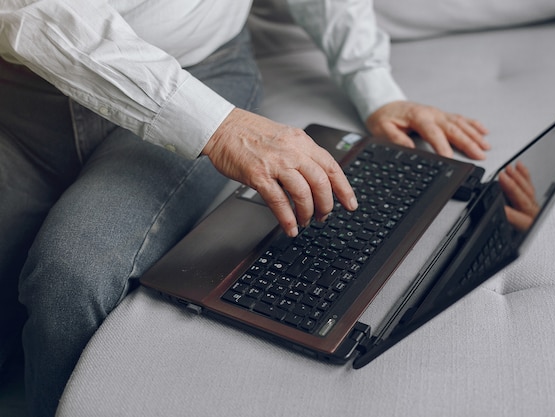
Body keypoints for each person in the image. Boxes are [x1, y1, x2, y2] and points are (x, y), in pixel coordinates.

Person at [0, 1, 489, 416]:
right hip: (20, 94)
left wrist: (373, 84)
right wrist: (221, 129)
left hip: (200, 73)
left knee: (71, 276)